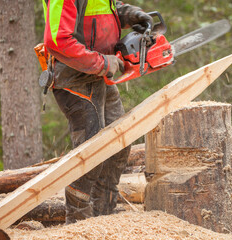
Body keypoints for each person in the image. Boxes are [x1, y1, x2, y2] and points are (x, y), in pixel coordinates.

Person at [42, 0, 153, 224]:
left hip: (99, 73)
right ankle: (78, 223)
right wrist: (101, 62)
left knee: (119, 143)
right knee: (91, 153)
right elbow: (57, 40)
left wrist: (130, 14)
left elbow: (103, 11)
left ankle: (103, 217)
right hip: (75, 77)